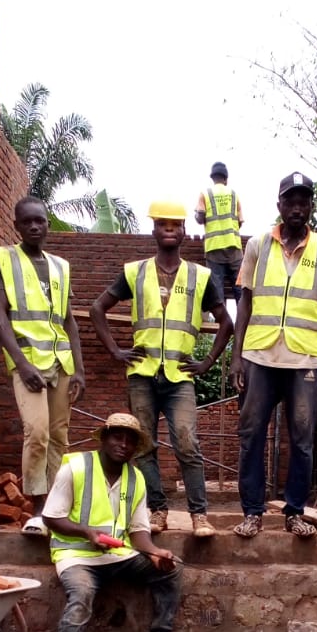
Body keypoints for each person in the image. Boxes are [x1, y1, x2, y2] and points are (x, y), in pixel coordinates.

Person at [90, 200, 234, 538]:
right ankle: (157, 510)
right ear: (153, 230)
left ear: (184, 232)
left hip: (179, 377)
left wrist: (208, 361)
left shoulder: (201, 276)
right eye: (162, 225)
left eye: (175, 225)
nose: (169, 230)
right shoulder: (134, 272)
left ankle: (199, 515)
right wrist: (115, 351)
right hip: (142, 374)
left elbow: (226, 322)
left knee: (187, 442)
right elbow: (98, 308)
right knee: (144, 446)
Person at [42, 412, 197, 632]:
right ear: (104, 438)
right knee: (82, 594)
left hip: (117, 554)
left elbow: (138, 531)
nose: (123, 444)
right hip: (76, 555)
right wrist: (87, 532)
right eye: (117, 436)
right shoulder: (75, 467)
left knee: (169, 571)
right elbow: (51, 517)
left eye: (130, 440)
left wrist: (154, 552)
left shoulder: (136, 478)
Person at [229, 172, 317, 540]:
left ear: (311, 206)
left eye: (303, 200)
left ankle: (295, 512)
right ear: (279, 205)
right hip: (260, 355)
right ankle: (252, 513)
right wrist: (236, 356)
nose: (297, 207)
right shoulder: (258, 246)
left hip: (305, 361)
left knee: (302, 439)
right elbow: (244, 301)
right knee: (251, 435)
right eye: (290, 200)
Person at [0, 196, 86, 536]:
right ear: (17, 226)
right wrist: (20, 362)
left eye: (40, 221)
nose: (34, 226)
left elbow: (69, 320)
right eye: (27, 221)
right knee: (37, 432)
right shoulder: (5, 260)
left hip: (61, 361)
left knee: (59, 436)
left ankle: (55, 510)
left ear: (47, 223)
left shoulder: (60, 265)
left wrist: (79, 368)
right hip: (28, 362)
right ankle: (35, 510)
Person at [194, 162, 244, 303]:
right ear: (226, 179)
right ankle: (243, 324)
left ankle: (221, 324)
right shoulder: (234, 195)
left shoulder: (205, 194)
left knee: (217, 291)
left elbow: (200, 217)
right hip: (234, 248)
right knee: (240, 289)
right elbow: (240, 221)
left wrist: (197, 215)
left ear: (212, 178)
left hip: (214, 248)